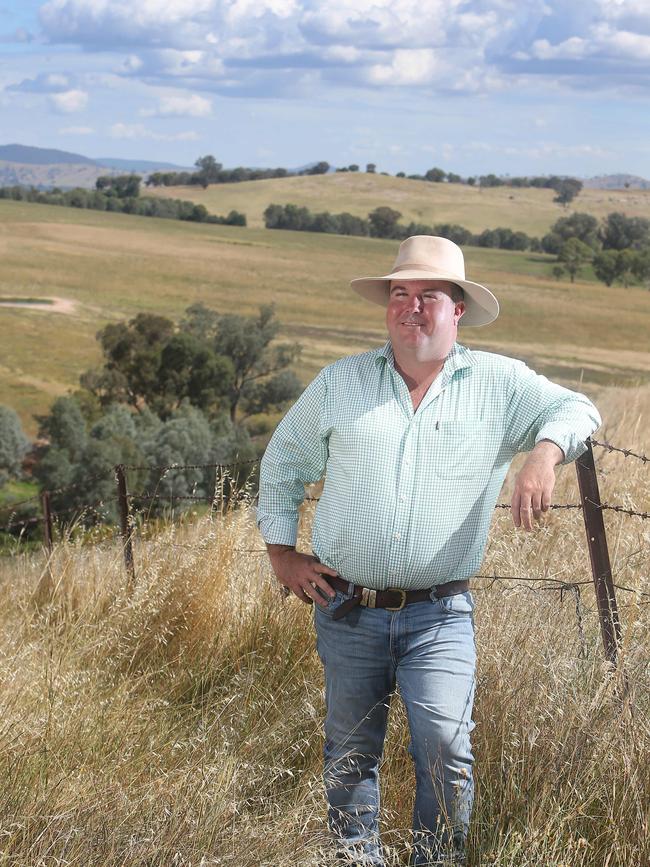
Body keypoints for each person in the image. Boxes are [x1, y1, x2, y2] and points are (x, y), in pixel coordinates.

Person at [256, 235, 601, 866]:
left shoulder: (497, 383)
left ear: (458, 308)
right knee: (350, 750)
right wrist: (282, 552)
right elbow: (282, 464)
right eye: (399, 293)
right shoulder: (341, 383)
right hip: (346, 606)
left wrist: (543, 454)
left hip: (440, 614)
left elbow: (577, 407)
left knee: (445, 746)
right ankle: (354, 859)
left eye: (428, 296)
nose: (411, 307)